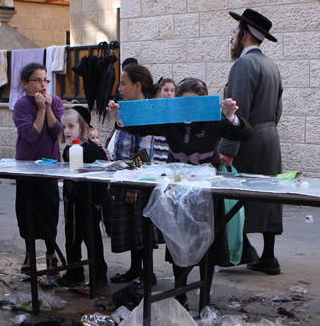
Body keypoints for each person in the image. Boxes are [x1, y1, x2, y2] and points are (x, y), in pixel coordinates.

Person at [110, 78, 251, 307]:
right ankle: (180, 293)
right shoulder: (171, 121)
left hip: (207, 190)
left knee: (208, 243)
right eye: (184, 104)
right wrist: (119, 118)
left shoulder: (213, 120)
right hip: (178, 188)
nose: (189, 110)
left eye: (194, 104)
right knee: (178, 239)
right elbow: (141, 127)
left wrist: (231, 116)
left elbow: (245, 134)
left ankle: (205, 298)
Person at [218, 8, 284, 275]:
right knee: (268, 196)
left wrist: (228, 148)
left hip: (249, 136)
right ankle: (267, 255)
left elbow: (238, 109)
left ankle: (242, 249)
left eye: (237, 31)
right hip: (270, 136)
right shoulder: (271, 65)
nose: (234, 37)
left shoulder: (244, 64)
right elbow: (278, 109)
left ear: (244, 33)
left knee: (234, 194)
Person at [106, 63, 159, 284]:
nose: (120, 88)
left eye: (124, 83)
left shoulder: (145, 112)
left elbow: (145, 153)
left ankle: (147, 273)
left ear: (138, 85)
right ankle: (135, 269)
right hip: (125, 176)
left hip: (138, 180)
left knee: (141, 230)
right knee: (130, 227)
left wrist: (133, 184)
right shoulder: (128, 110)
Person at [12, 62, 64, 272]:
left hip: (49, 166)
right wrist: (40, 110)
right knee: (26, 211)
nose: (43, 84)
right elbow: (31, 135)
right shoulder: (21, 106)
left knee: (50, 210)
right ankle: (29, 254)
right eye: (37, 80)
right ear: (25, 84)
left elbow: (56, 133)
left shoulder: (56, 102)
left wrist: (48, 107)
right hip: (26, 165)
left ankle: (51, 254)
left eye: (45, 80)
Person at [59, 105, 108, 285]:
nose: (67, 131)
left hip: (89, 203)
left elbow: (104, 175)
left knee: (92, 239)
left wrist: (97, 202)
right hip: (71, 202)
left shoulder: (93, 150)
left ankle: (99, 275)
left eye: (71, 126)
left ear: (84, 127)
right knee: (71, 239)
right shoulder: (68, 150)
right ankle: (74, 273)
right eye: (64, 127)